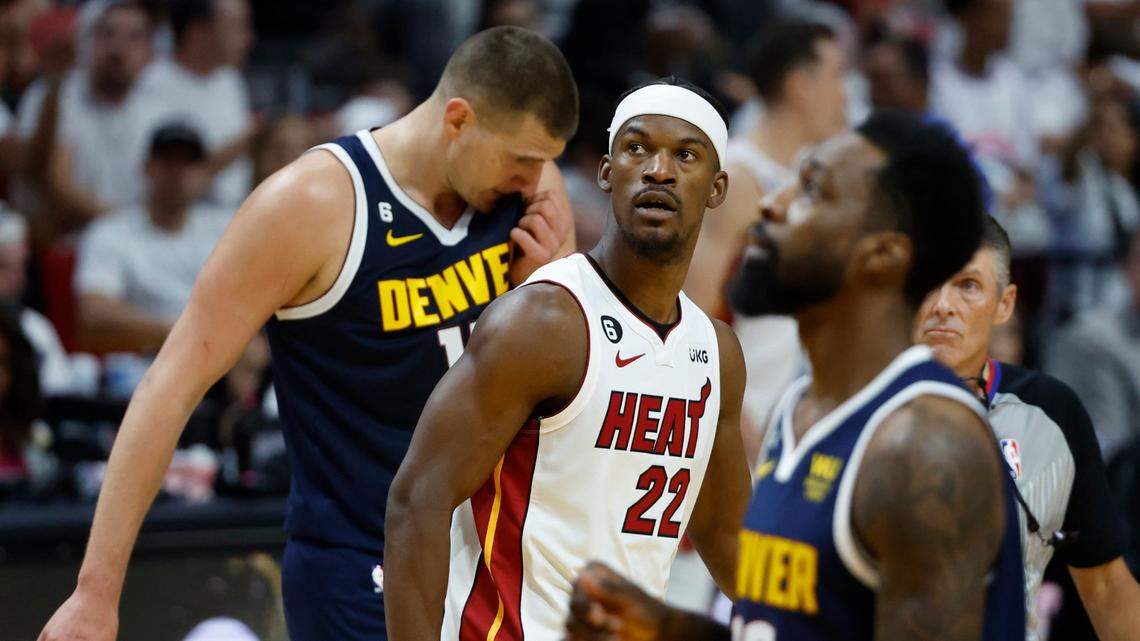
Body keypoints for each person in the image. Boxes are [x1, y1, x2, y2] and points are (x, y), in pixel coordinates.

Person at [38, 25, 578, 641]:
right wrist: (94, 593)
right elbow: (169, 386)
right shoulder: (312, 206)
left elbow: (564, 393)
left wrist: (544, 294)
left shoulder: (531, 201)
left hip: (494, 566)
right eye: (523, 160)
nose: (535, 180)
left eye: (546, 162)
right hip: (359, 568)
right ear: (458, 120)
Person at [564, 111, 1026, 641]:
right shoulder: (802, 405)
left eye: (811, 191)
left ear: (882, 253)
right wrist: (667, 629)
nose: (770, 204)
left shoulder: (922, 444)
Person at [385, 77, 751, 641]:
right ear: (607, 172)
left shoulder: (716, 353)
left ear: (717, 187)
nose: (658, 169)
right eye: (636, 148)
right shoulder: (543, 322)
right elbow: (418, 499)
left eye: (686, 155)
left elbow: (725, 535)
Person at [915, 215, 1140, 641]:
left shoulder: (1051, 411)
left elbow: (1107, 586)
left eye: (968, 285)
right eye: (928, 281)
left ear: (1005, 304)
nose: (943, 303)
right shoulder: (847, 402)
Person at [684, 18, 847, 459]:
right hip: (741, 421)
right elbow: (691, 316)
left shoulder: (811, 179)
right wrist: (733, 421)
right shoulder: (736, 177)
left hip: (795, 412)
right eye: (837, 76)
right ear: (798, 85)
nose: (846, 94)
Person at [15, 0, 171, 235]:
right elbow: (56, 182)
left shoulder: (159, 111)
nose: (118, 47)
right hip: (63, 245)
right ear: (86, 39)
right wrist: (127, 227)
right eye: (107, 33)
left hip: (136, 245)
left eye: (134, 37)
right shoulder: (53, 93)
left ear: (150, 51)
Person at [74, 123, 229, 354]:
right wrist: (176, 333)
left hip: (219, 355)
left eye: (188, 162)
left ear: (204, 173)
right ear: (146, 168)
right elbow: (94, 310)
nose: (177, 172)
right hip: (144, 357)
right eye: (167, 161)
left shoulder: (226, 226)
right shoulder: (110, 231)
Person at [138, 0, 257, 209]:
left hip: (234, 218)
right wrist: (252, 137)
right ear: (198, 32)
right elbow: (172, 171)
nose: (248, 38)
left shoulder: (229, 80)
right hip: (182, 225)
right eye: (237, 26)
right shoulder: (154, 83)